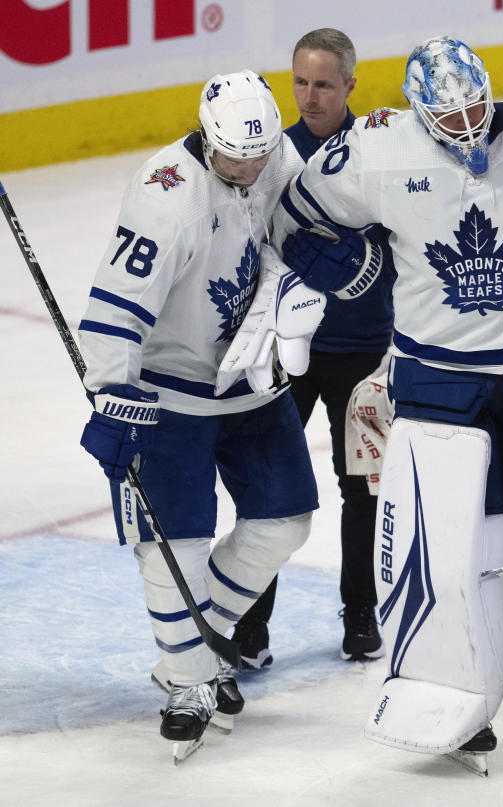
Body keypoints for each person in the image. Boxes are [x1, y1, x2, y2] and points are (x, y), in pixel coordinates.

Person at [219, 35, 503, 772]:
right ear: (416, 109)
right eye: (448, 111)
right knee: (448, 546)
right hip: (439, 372)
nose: (467, 124)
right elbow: (297, 213)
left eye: (475, 104)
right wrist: (311, 274)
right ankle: (448, 682)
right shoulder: (375, 150)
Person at [77, 70, 318, 761]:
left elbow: (306, 223)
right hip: (170, 389)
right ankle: (188, 679)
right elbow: (117, 307)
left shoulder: (276, 157)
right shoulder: (168, 197)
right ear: (208, 140)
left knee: (286, 517)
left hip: (248, 378)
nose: (248, 167)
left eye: (260, 153)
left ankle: (200, 640)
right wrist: (114, 402)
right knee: (174, 541)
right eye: (234, 155)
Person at [231, 28, 393, 669]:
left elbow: (402, 243)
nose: (309, 95)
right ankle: (252, 622)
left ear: (351, 85)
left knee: (363, 490)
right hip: (285, 353)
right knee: (270, 489)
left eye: (324, 84)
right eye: (300, 82)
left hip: (362, 350)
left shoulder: (378, 152)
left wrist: (354, 265)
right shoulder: (269, 155)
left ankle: (361, 615)